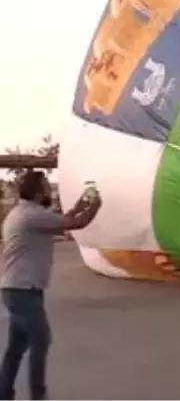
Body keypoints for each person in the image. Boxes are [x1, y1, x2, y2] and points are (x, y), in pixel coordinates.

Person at [1, 171, 103, 401]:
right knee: (40, 340)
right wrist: (95, 206)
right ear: (38, 191)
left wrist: (78, 205)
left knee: (16, 349)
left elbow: (61, 221)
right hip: (23, 291)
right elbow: (75, 223)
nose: (49, 190)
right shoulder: (32, 215)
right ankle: (38, 395)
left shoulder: (23, 213)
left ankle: (5, 393)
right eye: (46, 186)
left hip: (17, 289)